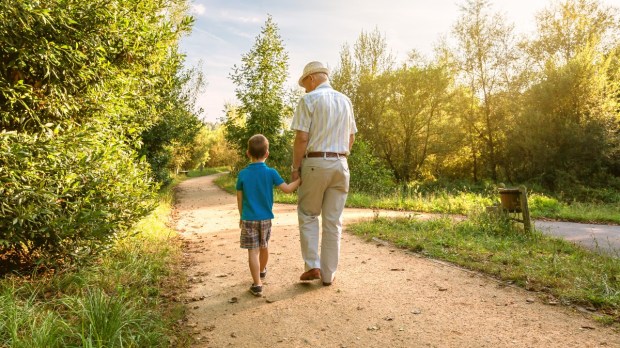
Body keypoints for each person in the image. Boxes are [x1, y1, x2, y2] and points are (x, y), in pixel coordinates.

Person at [290, 61, 357, 286]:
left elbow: (301, 138)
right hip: (341, 163)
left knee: (308, 214)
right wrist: (340, 155)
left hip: (315, 163)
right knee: (333, 221)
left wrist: (295, 168)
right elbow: (351, 137)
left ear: (312, 79)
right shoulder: (345, 100)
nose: (305, 89)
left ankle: (312, 266)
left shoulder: (309, 100)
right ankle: (328, 275)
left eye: (305, 84)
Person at [236, 134, 301, 296]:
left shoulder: (243, 174)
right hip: (265, 218)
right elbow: (287, 189)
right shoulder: (271, 172)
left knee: (253, 251)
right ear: (267, 154)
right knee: (264, 246)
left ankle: (257, 284)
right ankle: (262, 270)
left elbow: (240, 198)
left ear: (247, 153)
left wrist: (241, 216)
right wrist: (300, 180)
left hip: (249, 218)